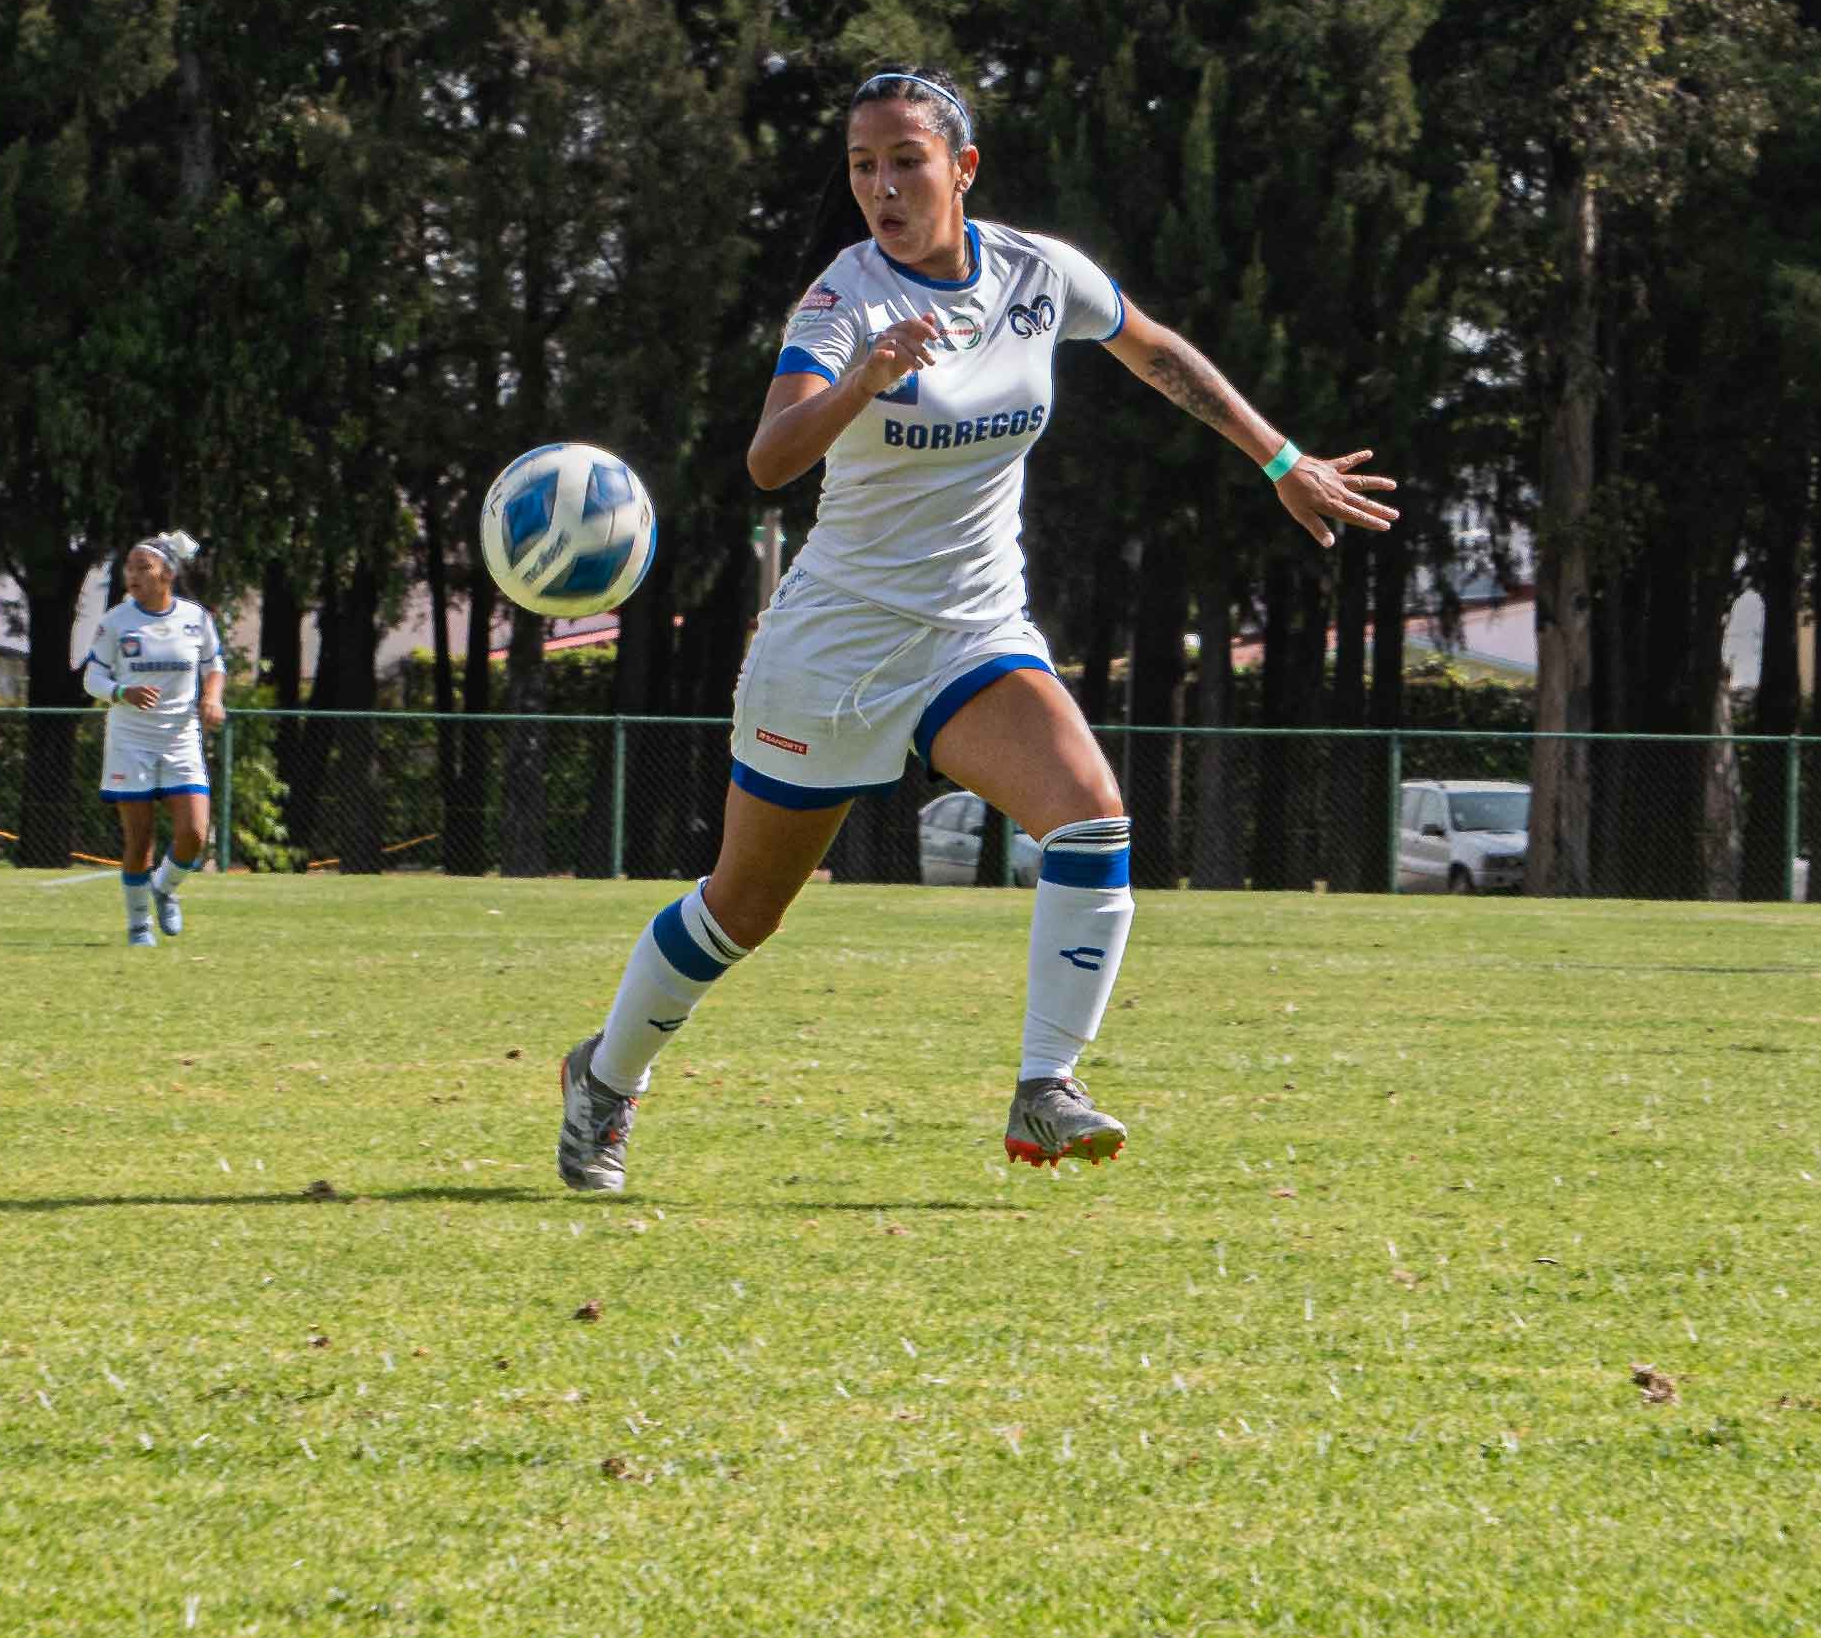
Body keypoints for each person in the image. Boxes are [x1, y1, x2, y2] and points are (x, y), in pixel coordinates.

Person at [556, 66, 1398, 1191]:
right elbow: (767, 459)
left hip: (972, 633)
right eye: (862, 164)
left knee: (1091, 818)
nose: (882, 186)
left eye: (906, 159)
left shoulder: (1035, 275)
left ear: (962, 168)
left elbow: (1153, 348)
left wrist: (1280, 459)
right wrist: (864, 377)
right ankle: (605, 1078)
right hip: (835, 649)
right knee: (742, 909)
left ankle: (1045, 1089)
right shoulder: (841, 301)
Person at [81, 532, 226, 946]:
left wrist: (213, 698)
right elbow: (93, 676)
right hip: (130, 739)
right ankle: (138, 925)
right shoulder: (115, 622)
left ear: (168, 574)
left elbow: (213, 665)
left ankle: (164, 887)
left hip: (180, 737)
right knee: (139, 837)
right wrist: (120, 692)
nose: (133, 575)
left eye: (143, 567)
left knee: (195, 833)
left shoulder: (195, 618)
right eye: (129, 567)